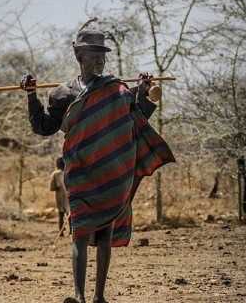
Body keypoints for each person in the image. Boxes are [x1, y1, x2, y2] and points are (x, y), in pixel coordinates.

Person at [20, 28, 174, 303]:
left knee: (104, 235)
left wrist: (142, 91)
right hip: (79, 173)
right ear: (79, 55)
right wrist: (31, 95)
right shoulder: (62, 93)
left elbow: (137, 118)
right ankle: (79, 296)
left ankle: (99, 297)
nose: (99, 61)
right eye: (93, 55)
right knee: (79, 231)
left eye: (102, 55)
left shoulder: (117, 89)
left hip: (112, 174)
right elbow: (43, 127)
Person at [49, 157, 70, 235]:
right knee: (70, 214)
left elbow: (52, 187)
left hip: (59, 197)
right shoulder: (68, 172)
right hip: (68, 196)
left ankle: (61, 232)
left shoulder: (55, 174)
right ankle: (71, 231)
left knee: (61, 215)